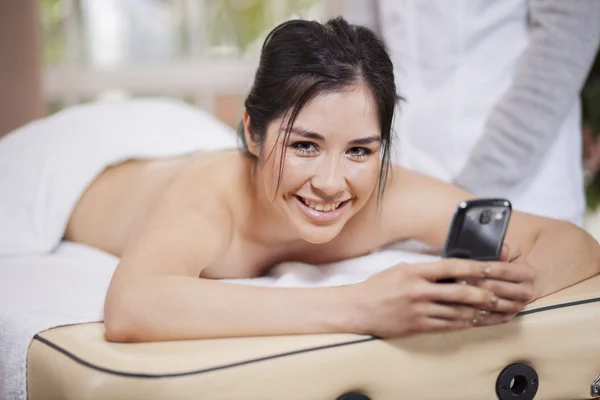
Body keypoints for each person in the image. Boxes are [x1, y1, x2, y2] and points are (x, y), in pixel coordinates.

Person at [63, 17, 600, 343]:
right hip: (86, 168)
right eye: (304, 145)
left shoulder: (384, 196)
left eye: (360, 150)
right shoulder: (207, 200)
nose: (331, 183)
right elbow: (132, 306)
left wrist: (508, 288)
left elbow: (572, 244)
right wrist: (358, 305)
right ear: (253, 132)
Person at [345, 0, 600, 226]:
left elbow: (565, 41)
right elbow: (363, 46)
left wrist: (462, 199)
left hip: (520, 193)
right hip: (401, 186)